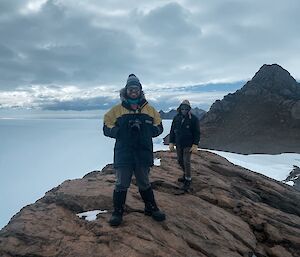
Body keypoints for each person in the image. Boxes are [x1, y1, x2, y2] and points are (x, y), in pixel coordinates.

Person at [103, 74, 166, 226]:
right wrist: (120, 131)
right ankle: (118, 212)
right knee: (121, 183)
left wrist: (146, 130)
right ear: (126, 90)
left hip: (142, 152)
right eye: (131, 89)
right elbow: (106, 127)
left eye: (136, 89)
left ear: (140, 91)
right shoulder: (116, 110)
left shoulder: (150, 110)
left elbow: (159, 127)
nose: (133, 91)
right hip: (124, 153)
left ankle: (151, 208)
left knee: (144, 182)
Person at [169, 100, 200, 192]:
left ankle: (188, 179)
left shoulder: (193, 119)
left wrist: (195, 144)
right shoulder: (176, 118)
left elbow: (197, 133)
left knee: (186, 161)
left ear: (189, 109)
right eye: (183, 108)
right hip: (179, 143)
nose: (184, 110)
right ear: (180, 108)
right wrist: (171, 142)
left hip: (188, 144)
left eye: (186, 108)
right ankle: (185, 174)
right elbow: (172, 131)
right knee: (180, 160)